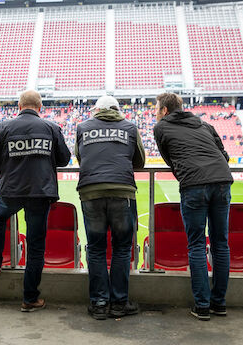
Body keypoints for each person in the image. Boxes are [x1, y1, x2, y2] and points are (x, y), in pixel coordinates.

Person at [0, 90, 71, 312]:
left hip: (12, 191)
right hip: (40, 193)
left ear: (19, 106)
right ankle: (30, 298)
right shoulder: (51, 127)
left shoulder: (5, 126)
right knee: (36, 246)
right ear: (39, 108)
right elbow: (64, 159)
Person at [153, 92, 233, 321]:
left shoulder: (161, 128)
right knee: (221, 243)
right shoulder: (205, 124)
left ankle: (202, 305)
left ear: (165, 111)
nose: (156, 113)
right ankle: (219, 303)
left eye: (157, 109)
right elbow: (224, 154)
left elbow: (171, 161)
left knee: (197, 245)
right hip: (221, 181)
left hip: (193, 185)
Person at [75, 96, 145, 320]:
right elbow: (140, 161)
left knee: (95, 249)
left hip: (90, 191)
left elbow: (80, 156)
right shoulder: (130, 127)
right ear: (117, 110)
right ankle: (119, 303)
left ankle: (99, 303)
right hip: (122, 190)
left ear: (96, 110)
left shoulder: (82, 127)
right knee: (122, 248)